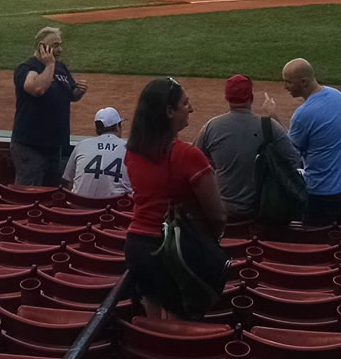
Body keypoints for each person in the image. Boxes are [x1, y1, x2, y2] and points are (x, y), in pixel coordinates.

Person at [123, 78, 227, 319]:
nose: (190, 108)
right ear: (169, 112)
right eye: (185, 103)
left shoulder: (132, 150)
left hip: (137, 246)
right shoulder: (189, 155)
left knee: (155, 321)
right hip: (174, 250)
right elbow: (218, 214)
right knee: (179, 326)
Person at [195, 75, 297, 222]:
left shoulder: (211, 127)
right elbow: (294, 161)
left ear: (227, 98)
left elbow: (196, 164)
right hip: (261, 210)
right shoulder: (270, 126)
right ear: (252, 97)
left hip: (224, 210)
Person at [283, 59, 341, 226]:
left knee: (317, 246)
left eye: (288, 82)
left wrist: (272, 119)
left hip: (323, 194)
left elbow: (289, 151)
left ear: (303, 82)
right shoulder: (337, 95)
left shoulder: (303, 114)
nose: (285, 87)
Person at [11, 27, 88, 186]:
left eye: (60, 45)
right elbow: (37, 89)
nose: (60, 49)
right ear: (41, 46)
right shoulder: (27, 68)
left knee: (51, 194)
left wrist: (78, 91)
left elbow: (69, 95)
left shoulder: (61, 67)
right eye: (55, 45)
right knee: (28, 196)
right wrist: (50, 64)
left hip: (54, 145)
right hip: (31, 146)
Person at [64, 107, 131, 199]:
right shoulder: (129, 149)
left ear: (97, 128)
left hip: (79, 209)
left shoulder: (81, 145)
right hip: (113, 211)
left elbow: (69, 182)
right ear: (117, 127)